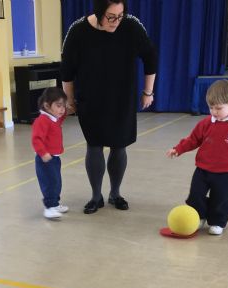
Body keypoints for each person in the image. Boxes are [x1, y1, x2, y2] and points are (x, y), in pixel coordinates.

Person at [61, 0, 158, 214]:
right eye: (111, 17)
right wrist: (69, 100)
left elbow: (150, 57)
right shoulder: (78, 31)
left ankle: (115, 193)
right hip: (90, 99)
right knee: (94, 145)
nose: (116, 21)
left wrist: (148, 92)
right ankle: (96, 197)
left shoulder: (131, 26)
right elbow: (67, 70)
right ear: (98, 12)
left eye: (120, 16)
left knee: (119, 145)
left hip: (122, 98)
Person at [166, 79, 228, 235]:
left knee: (222, 199)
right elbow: (193, 140)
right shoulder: (206, 123)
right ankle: (199, 216)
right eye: (211, 108)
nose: (214, 111)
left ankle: (217, 222)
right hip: (203, 169)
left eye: (219, 108)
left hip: (226, 172)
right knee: (195, 195)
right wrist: (178, 149)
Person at [31, 87, 69, 219]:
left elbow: (61, 119)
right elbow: (36, 139)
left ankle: (55, 204)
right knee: (49, 183)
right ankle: (49, 208)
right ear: (47, 106)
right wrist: (43, 153)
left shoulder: (54, 118)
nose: (62, 109)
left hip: (55, 158)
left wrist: (66, 110)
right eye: (59, 106)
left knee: (56, 182)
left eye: (63, 106)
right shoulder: (42, 120)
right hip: (46, 159)